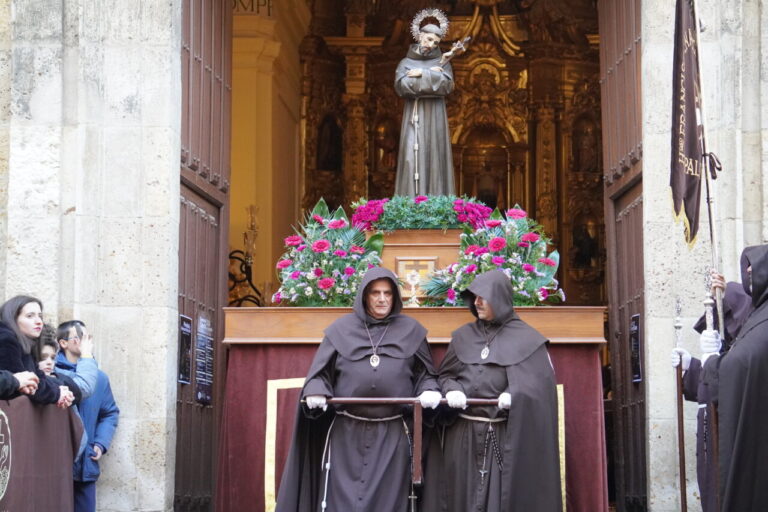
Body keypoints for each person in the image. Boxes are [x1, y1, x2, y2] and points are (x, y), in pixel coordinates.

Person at [276, 267, 441, 512]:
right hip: (347, 435)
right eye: (376, 293)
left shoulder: (412, 331)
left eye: (387, 293)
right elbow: (319, 374)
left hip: (393, 433)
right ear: (364, 295)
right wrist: (317, 390)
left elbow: (426, 375)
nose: (382, 298)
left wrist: (429, 390)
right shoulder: (340, 330)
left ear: (395, 296)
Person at [423, 269, 562, 511]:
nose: (476, 302)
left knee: (500, 499)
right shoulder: (463, 336)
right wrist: (452, 389)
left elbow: (539, 386)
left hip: (503, 434)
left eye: (482, 296)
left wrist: (515, 393)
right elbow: (445, 374)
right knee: (460, 497)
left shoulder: (527, 338)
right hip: (462, 434)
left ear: (499, 298)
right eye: (473, 296)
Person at [670, 269, 751, 512]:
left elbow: (736, 380)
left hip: (732, 431)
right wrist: (691, 367)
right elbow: (707, 389)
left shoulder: (751, 341)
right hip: (710, 428)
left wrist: (713, 361)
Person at [705, 244, 768, 511]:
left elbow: (742, 362)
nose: (749, 269)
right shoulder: (758, 313)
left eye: (755, 264)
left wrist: (712, 363)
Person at [56, 320, 120, 512]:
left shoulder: (99, 378)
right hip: (58, 465)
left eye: (87, 337)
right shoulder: (53, 373)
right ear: (63, 343)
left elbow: (110, 413)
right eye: (79, 337)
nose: (85, 342)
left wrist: (100, 444)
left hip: (86, 466)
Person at [394, 9, 456, 197]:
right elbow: (401, 86)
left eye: (436, 42)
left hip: (435, 116)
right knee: (410, 157)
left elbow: (447, 86)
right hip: (414, 115)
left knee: (435, 154)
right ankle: (410, 203)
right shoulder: (406, 62)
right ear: (420, 36)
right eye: (428, 39)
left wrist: (423, 74)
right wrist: (432, 79)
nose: (431, 44)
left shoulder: (443, 62)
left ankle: (435, 202)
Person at [0, 295, 74, 408]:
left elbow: (38, 377)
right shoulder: (6, 339)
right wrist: (57, 394)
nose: (39, 322)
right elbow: (27, 384)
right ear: (13, 319)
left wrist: (61, 390)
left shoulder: (24, 342)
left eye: (40, 316)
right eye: (30, 316)